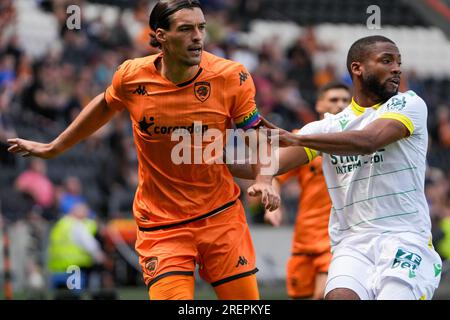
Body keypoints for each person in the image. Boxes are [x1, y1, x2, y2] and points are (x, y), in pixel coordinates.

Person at [8, 0, 279, 300]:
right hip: (162, 226)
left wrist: (265, 179)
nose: (198, 37)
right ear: (160, 36)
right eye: (186, 29)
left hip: (221, 217)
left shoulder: (231, 77)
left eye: (201, 28)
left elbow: (258, 135)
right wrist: (56, 146)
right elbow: (105, 104)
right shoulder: (132, 76)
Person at [238, 35, 443, 300]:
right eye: (387, 60)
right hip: (353, 244)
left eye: (398, 62)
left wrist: (296, 138)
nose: (397, 68)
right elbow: (270, 164)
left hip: (405, 239)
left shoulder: (409, 104)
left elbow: (368, 141)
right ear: (357, 68)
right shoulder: (327, 128)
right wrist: (208, 158)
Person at [264, 82, 350, 300]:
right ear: (319, 104)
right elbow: (274, 175)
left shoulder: (357, 142)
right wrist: (272, 202)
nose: (340, 105)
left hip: (336, 240)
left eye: (345, 100)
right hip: (304, 239)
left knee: (323, 295)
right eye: (333, 100)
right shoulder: (302, 138)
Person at [47, 202, 106, 299]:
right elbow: (89, 244)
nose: (87, 214)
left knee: (60, 296)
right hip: (74, 269)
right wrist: (100, 256)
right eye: (84, 211)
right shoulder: (77, 225)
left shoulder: (60, 224)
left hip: (57, 269)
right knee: (75, 295)